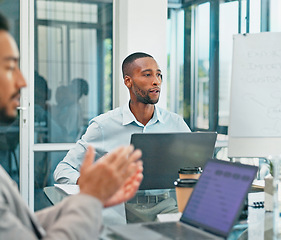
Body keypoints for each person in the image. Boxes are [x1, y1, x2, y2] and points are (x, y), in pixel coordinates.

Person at [0, 12, 143, 239]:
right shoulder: (103, 124)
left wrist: (91, 198)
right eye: (9, 67)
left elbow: (25, 227)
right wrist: (90, 199)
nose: (22, 81)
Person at [54, 52, 190, 184]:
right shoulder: (103, 126)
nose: (156, 81)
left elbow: (195, 168)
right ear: (128, 81)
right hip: (118, 205)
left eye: (159, 75)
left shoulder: (176, 123)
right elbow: (63, 169)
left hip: (166, 204)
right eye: (147, 75)